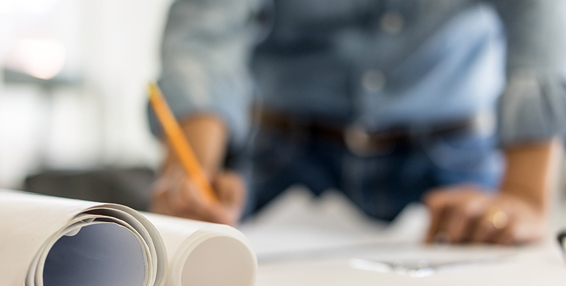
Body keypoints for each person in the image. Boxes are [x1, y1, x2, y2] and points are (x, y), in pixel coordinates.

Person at [149, 0, 566, 245]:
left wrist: (524, 194)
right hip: (283, 156)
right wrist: (193, 176)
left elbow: (539, 31)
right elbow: (205, 36)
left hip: (455, 164)